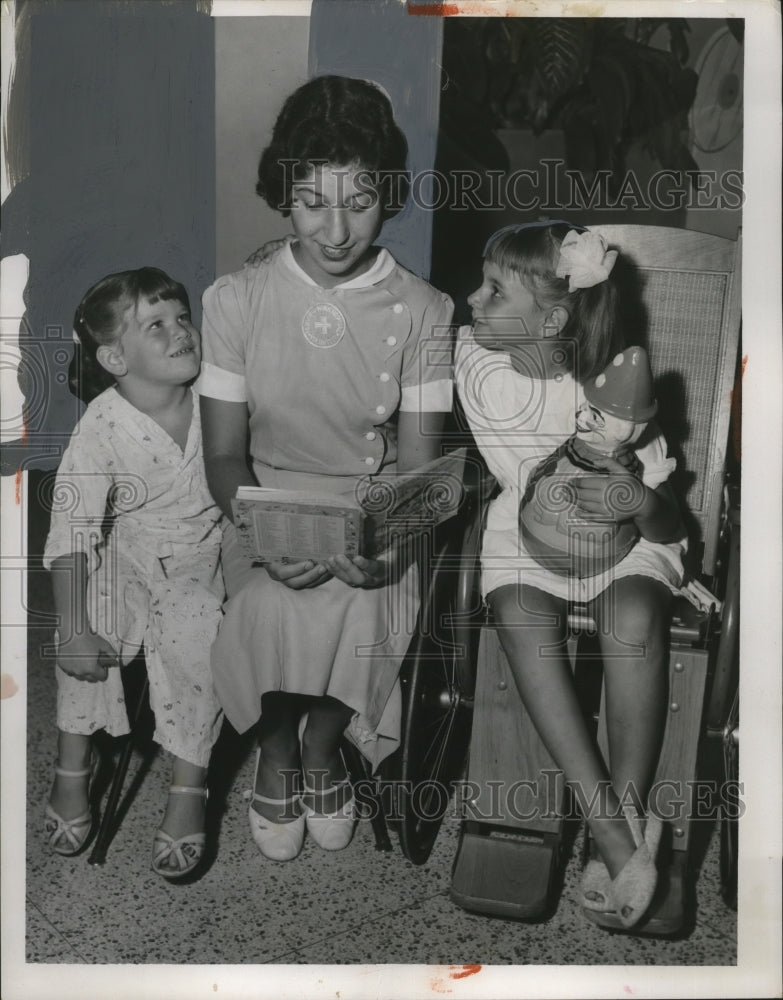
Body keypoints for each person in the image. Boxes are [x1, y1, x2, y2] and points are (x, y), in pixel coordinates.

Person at [199, 76, 453, 861]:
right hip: (261, 503)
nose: (336, 229)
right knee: (261, 608)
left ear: (389, 196)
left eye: (360, 200)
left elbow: (416, 469)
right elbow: (222, 453)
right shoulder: (233, 299)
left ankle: (323, 746)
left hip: (370, 511)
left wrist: (382, 544)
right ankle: (276, 752)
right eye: (312, 201)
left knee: (372, 608)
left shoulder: (426, 311)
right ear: (283, 194)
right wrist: (266, 534)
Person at [454, 221, 685, 929]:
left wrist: (632, 495)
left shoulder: (617, 392)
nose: (471, 299)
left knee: (632, 617)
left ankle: (627, 809)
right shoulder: (475, 360)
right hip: (526, 534)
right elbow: (431, 327)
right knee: (521, 615)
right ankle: (613, 832)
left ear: (553, 317)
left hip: (623, 538)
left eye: (494, 290)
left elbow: (668, 526)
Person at [43, 267, 224, 881]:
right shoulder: (101, 423)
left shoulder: (217, 402)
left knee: (194, 624)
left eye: (182, 318)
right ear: (115, 355)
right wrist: (71, 629)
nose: (181, 332)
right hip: (131, 549)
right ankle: (73, 762)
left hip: (202, 553)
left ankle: (189, 784)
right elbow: (71, 530)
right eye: (157, 325)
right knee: (95, 610)